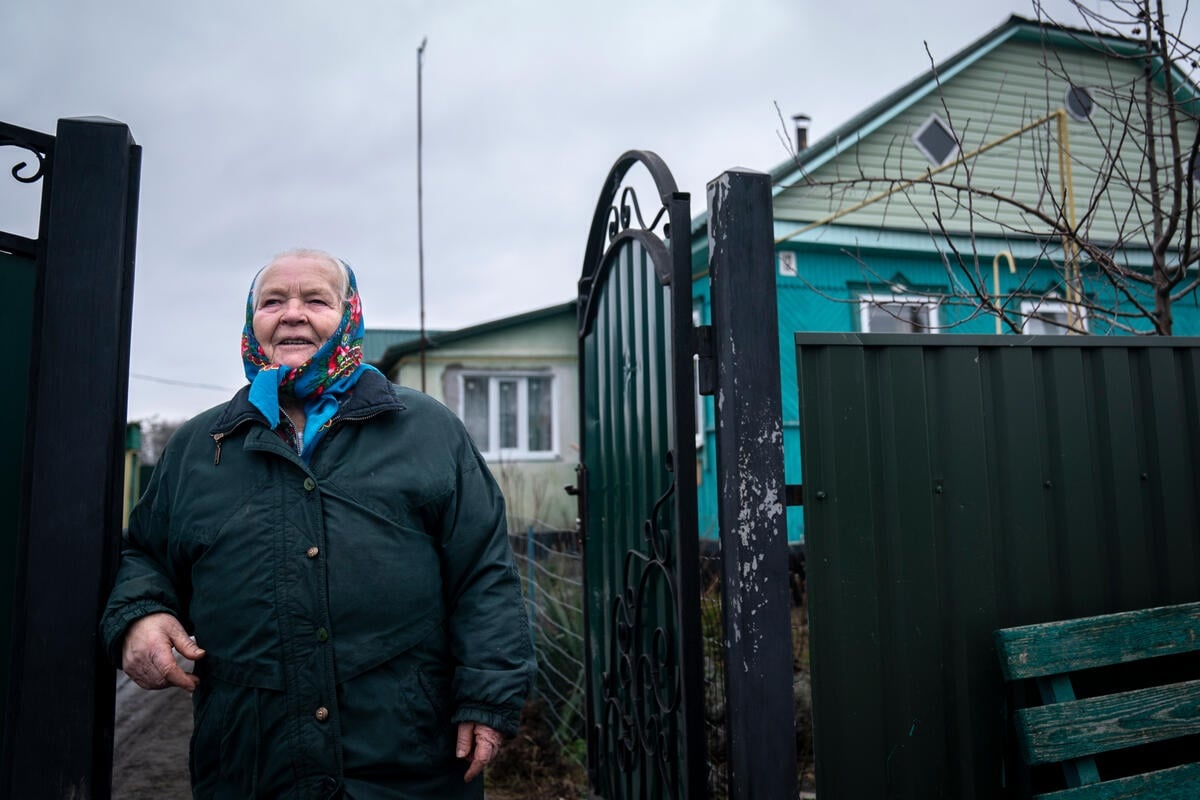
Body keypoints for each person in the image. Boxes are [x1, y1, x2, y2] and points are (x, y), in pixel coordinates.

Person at [101, 248, 534, 799]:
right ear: (251, 321)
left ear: (349, 315)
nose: (292, 313)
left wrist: (488, 697)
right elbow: (145, 555)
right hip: (251, 762)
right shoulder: (198, 446)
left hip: (407, 756)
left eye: (315, 300)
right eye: (272, 301)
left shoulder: (427, 430)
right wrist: (141, 615)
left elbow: (483, 573)